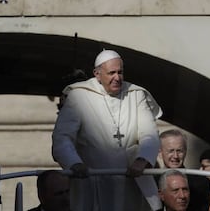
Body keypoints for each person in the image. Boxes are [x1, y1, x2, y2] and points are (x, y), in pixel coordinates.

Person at [52, 49, 163, 211]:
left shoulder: (136, 94)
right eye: (111, 73)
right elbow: (62, 138)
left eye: (120, 72)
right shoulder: (79, 96)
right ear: (97, 74)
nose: (117, 78)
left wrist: (143, 159)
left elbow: (150, 133)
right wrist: (74, 163)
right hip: (93, 180)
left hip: (131, 179)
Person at [158, 129, 210, 211]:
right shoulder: (152, 181)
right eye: (170, 151)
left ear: (185, 151)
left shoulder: (201, 183)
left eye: (179, 151)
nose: (175, 156)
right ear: (160, 152)